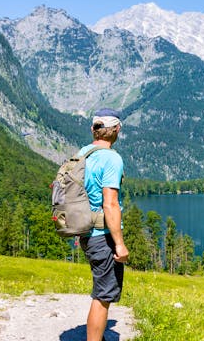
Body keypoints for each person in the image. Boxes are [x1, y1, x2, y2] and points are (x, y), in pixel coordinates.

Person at [79, 108, 130, 341]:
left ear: (93, 129)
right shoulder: (112, 158)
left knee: (102, 291)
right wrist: (119, 244)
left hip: (87, 233)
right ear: (117, 129)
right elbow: (110, 204)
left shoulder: (83, 154)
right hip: (102, 236)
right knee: (103, 296)